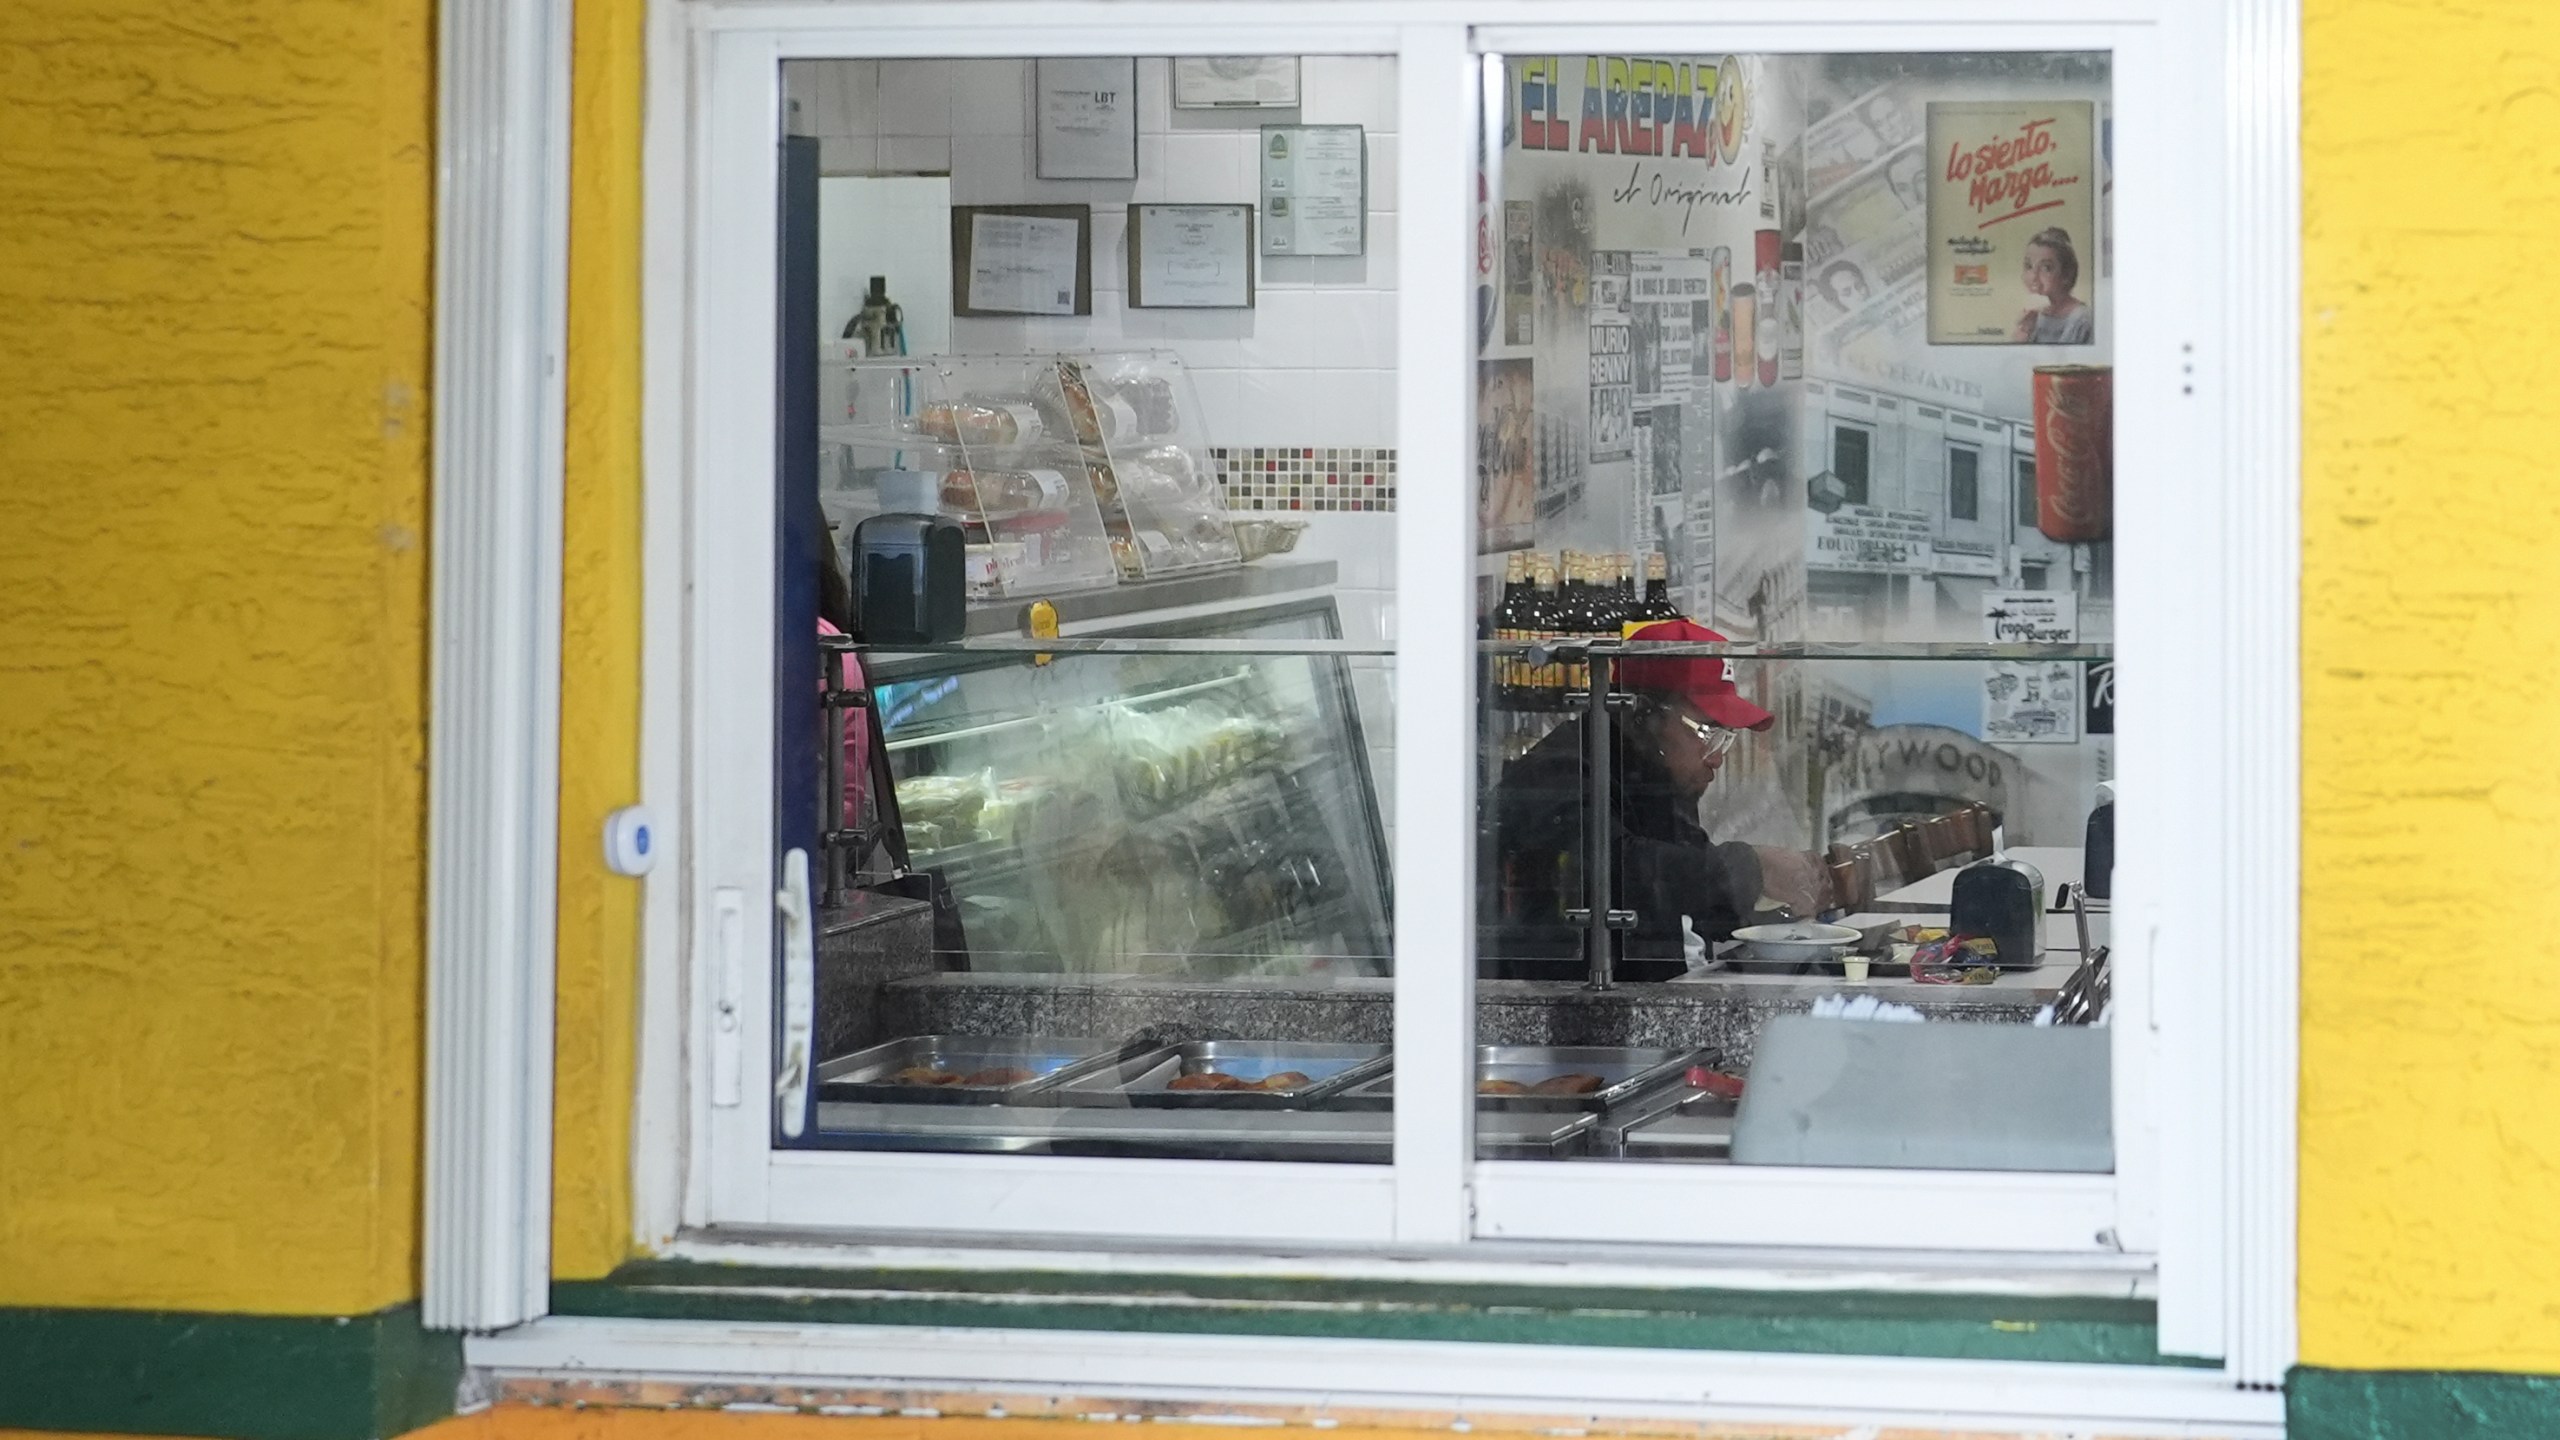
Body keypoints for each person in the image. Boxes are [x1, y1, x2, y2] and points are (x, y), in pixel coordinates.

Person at [1481, 618, 1776, 981]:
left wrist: (1793, 903)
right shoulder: (1559, 773)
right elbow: (1615, 871)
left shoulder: (1656, 772)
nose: (1716, 757)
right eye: (1708, 733)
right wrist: (1753, 867)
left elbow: (1700, 896)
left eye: (1726, 738)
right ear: (1642, 714)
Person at [2011, 227, 2094, 344]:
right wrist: (2024, 333)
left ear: (2066, 274)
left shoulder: (2082, 320)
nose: (2033, 277)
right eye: (2029, 266)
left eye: (2046, 268)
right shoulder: (2035, 317)